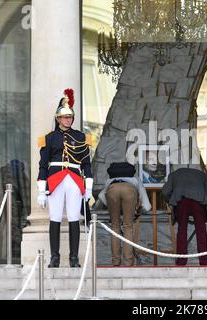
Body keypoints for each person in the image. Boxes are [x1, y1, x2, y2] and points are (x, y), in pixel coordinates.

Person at [37, 89, 93, 268]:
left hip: (75, 180)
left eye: (70, 117)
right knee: (54, 218)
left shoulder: (82, 137)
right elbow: (43, 165)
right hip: (55, 179)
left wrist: (89, 187)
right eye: (65, 117)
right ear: (58, 118)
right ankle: (55, 257)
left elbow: (86, 164)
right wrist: (41, 191)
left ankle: (74, 257)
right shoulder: (48, 138)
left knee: (74, 218)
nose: (68, 119)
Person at [97, 162, 151, 266]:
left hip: (112, 190)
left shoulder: (110, 180)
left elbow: (100, 196)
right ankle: (127, 262)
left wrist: (111, 207)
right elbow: (146, 205)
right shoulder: (136, 179)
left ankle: (116, 261)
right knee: (128, 227)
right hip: (129, 190)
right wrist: (138, 211)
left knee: (115, 226)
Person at [162, 168, 207, 266]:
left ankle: (181, 261)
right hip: (199, 200)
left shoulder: (174, 174)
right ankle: (204, 261)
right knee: (201, 231)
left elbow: (165, 192)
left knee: (182, 230)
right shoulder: (202, 174)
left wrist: (171, 201)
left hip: (182, 200)